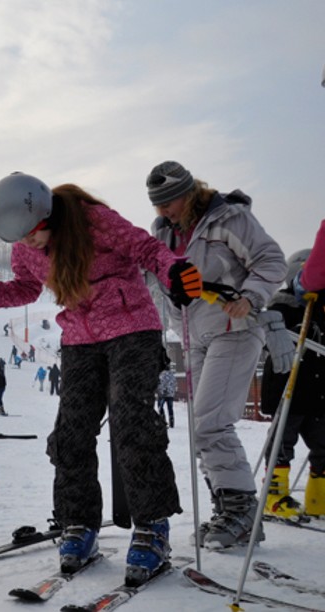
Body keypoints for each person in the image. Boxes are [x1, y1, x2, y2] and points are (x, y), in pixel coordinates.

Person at [0, 172, 198, 584]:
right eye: (20, 240)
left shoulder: (93, 220)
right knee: (71, 432)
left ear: (47, 214)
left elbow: (146, 249)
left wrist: (174, 271)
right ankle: (80, 524)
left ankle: (152, 527)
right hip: (79, 338)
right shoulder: (26, 247)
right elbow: (25, 288)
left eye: (34, 233)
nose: (30, 244)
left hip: (132, 329)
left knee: (131, 422)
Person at [146, 160, 286, 548]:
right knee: (201, 428)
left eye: (169, 202)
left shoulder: (228, 218)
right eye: (157, 205)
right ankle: (230, 511)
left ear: (189, 193)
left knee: (211, 423)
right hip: (193, 334)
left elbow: (272, 261)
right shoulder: (161, 232)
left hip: (235, 327)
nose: (163, 211)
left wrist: (251, 297)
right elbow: (152, 276)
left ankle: (241, 515)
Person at [259, 249, 325, 520]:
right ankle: (274, 496)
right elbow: (267, 340)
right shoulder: (281, 306)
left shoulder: (321, 308)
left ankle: (318, 497)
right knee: (282, 443)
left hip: (319, 394)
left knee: (323, 444)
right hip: (289, 390)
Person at [155, 357, 176, 429]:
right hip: (170, 394)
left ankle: (163, 421)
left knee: (160, 407)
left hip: (163, 394)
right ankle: (172, 421)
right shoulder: (172, 374)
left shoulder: (162, 375)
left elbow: (162, 384)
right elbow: (174, 384)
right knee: (170, 408)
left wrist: (160, 392)